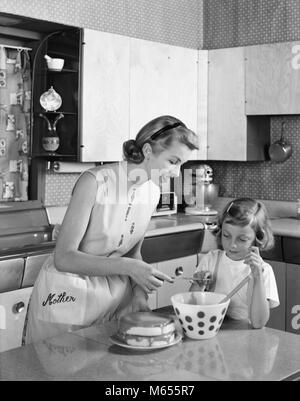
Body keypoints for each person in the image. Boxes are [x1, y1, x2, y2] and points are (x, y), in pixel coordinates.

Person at [24, 115, 199, 344]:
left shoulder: (152, 192)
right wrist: (129, 267)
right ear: (148, 150)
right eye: (173, 161)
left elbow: (132, 253)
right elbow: (64, 258)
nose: (177, 173)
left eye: (181, 165)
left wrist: (138, 295)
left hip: (115, 301)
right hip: (69, 300)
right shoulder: (95, 182)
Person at [190, 198, 279, 329]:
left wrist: (258, 277)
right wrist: (199, 285)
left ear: (257, 238)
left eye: (242, 239)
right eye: (226, 235)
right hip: (213, 331)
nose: (232, 245)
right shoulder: (210, 260)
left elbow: (259, 323)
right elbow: (193, 308)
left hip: (246, 337)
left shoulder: (263, 271)